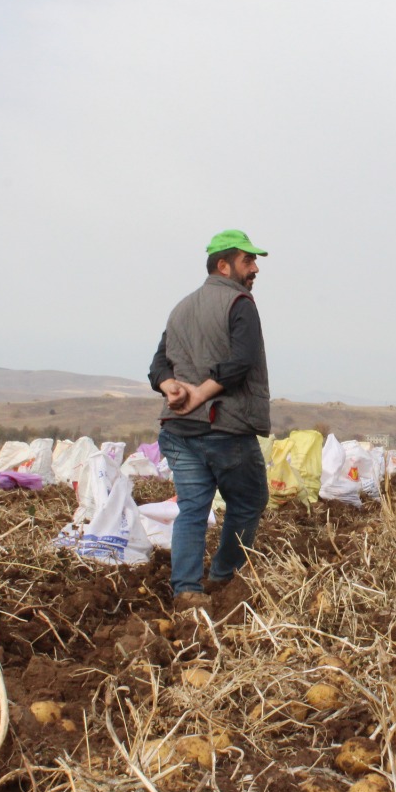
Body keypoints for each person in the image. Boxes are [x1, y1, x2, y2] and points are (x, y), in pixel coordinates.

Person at [149, 230, 272, 612]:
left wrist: (170, 387)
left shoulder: (181, 308)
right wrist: (200, 393)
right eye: (247, 261)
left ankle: (186, 588)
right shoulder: (240, 302)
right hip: (224, 428)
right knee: (249, 501)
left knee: (192, 508)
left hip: (178, 430)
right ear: (224, 265)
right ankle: (224, 576)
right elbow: (241, 361)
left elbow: (157, 364)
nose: (254, 270)